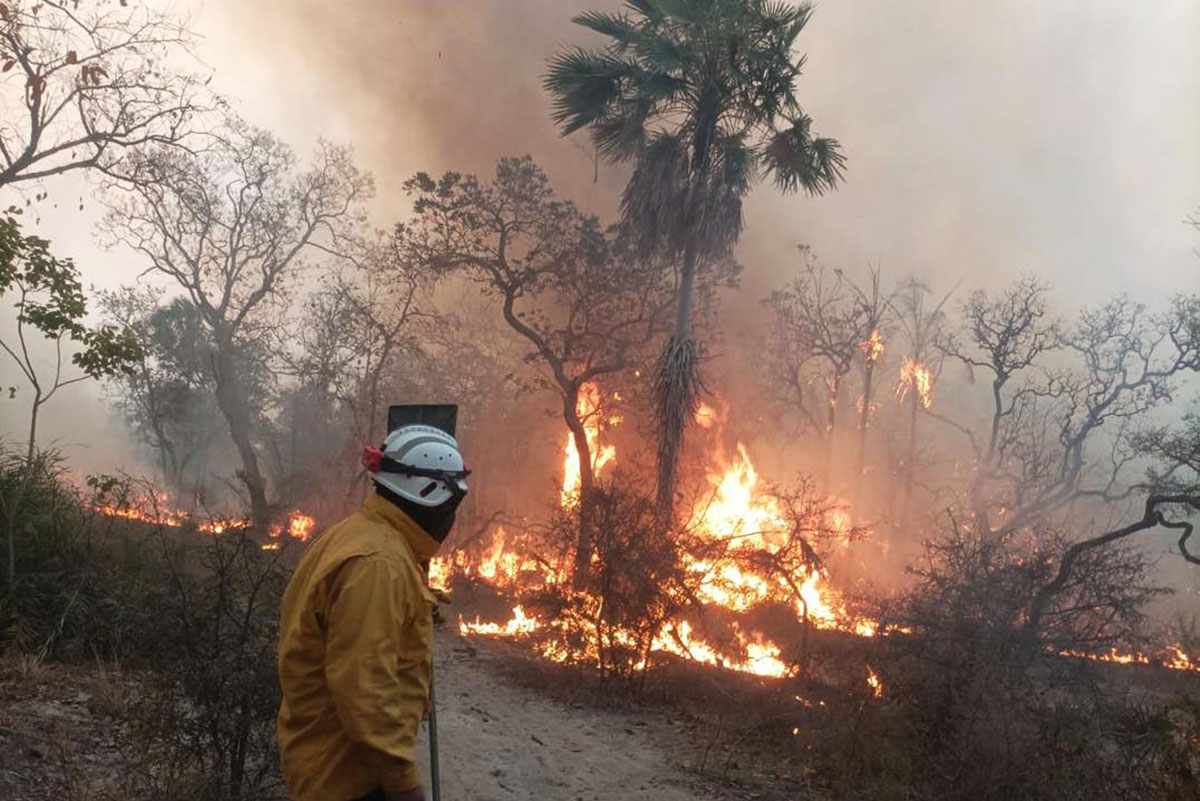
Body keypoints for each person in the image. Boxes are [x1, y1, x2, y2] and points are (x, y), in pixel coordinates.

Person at [277, 424, 469, 801]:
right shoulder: (380, 564)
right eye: (453, 506)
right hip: (346, 776)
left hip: (332, 761)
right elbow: (364, 688)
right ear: (433, 498)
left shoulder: (362, 535)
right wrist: (403, 782)